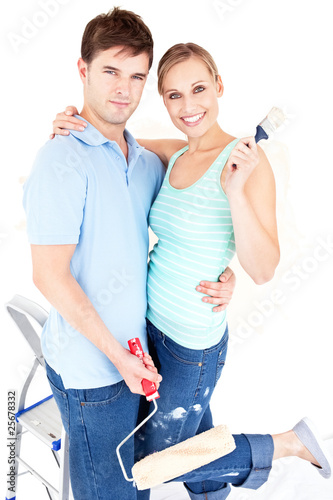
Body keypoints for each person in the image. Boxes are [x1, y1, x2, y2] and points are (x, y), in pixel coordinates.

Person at [51, 41, 332, 499]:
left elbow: (263, 269)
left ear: (219, 87)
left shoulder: (248, 166)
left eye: (199, 88)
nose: (188, 105)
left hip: (190, 346)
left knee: (155, 464)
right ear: (163, 101)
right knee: (189, 445)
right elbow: (117, 142)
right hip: (148, 330)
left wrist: (236, 193)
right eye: (174, 95)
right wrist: (70, 122)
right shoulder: (176, 154)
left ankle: (288, 444)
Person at [23, 8, 237, 500]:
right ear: (83, 71)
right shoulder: (61, 157)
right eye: (110, 72)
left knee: (160, 468)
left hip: (144, 353)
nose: (124, 89)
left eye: (137, 76)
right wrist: (117, 356)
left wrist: (226, 272)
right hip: (94, 371)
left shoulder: (144, 162)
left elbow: (196, 202)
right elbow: (48, 275)